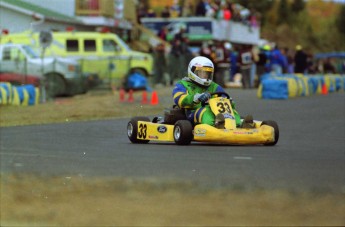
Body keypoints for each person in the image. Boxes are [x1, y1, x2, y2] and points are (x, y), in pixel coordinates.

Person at [172, 56, 254, 129]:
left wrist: (229, 102)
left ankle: (240, 125)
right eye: (202, 73)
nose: (205, 76)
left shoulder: (214, 86)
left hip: (216, 112)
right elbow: (179, 99)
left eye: (208, 73)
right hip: (192, 113)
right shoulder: (183, 84)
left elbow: (223, 97)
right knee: (205, 112)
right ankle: (217, 125)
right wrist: (196, 98)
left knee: (231, 112)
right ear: (193, 71)